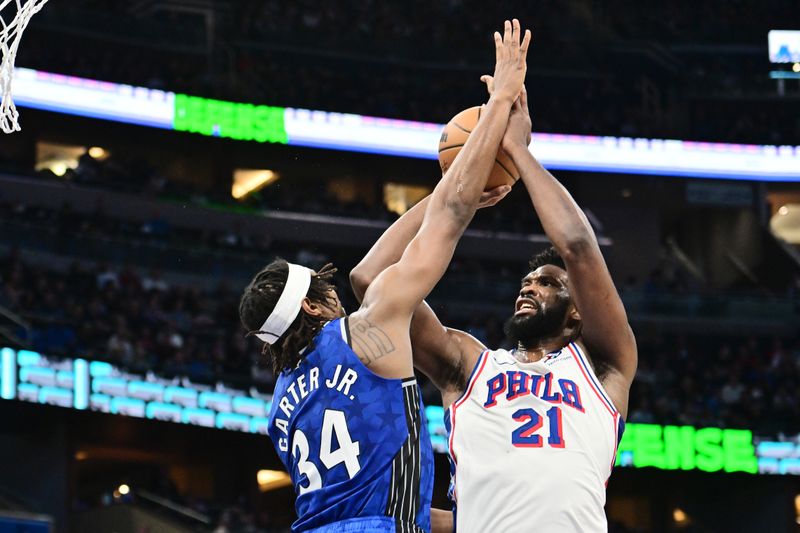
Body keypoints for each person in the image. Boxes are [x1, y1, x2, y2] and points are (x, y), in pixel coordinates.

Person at [238, 20, 531, 533]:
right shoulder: (367, 333)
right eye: (320, 287)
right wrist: (501, 101)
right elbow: (448, 220)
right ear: (310, 306)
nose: (332, 290)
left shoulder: (281, 409)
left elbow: (364, 275)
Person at [350, 84, 637, 532]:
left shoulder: (604, 366)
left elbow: (578, 245)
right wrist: (459, 185)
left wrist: (516, 152)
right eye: (526, 282)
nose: (528, 288)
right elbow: (370, 278)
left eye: (546, 283)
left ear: (578, 311)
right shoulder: (468, 365)